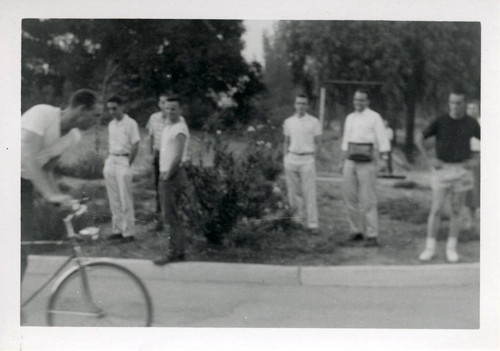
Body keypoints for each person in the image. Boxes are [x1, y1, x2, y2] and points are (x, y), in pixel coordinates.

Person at [21, 89, 100, 280]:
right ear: (81, 110)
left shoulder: (73, 136)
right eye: (95, 115)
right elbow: (28, 158)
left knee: (20, 252)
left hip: (23, 186)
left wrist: (61, 200)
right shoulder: (42, 114)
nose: (97, 121)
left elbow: (47, 169)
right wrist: (50, 195)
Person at [416, 90, 480, 263]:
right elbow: (419, 138)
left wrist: (476, 160)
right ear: (448, 103)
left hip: (462, 171)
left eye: (458, 103)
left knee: (456, 210)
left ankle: (451, 248)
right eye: (452, 102)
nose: (455, 106)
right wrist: (429, 160)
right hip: (442, 170)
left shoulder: (471, 123)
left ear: (464, 104)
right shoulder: (441, 120)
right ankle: (430, 248)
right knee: (436, 209)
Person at [339, 89, 390, 247]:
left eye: (361, 100)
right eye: (356, 100)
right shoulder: (349, 118)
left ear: (367, 102)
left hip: (367, 161)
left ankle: (372, 234)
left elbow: (382, 139)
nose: (358, 103)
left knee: (368, 198)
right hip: (350, 160)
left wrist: (384, 159)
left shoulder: (374, 117)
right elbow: (346, 141)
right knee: (350, 196)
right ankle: (356, 231)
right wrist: (341, 161)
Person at [153, 95, 190, 265]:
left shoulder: (179, 128)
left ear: (180, 110)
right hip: (166, 173)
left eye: (173, 108)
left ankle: (173, 252)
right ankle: (178, 250)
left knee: (170, 215)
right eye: (167, 108)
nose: (169, 111)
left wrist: (168, 174)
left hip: (173, 175)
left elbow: (178, 155)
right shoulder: (168, 126)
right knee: (171, 214)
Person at [103, 96, 141, 243]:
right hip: (111, 159)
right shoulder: (111, 125)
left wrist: (128, 163)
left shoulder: (131, 123)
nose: (112, 111)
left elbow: (136, 144)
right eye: (109, 109)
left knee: (125, 197)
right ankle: (117, 230)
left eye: (115, 108)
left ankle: (129, 232)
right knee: (114, 198)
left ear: (122, 107)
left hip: (124, 160)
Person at [146, 93, 186, 231]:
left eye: (170, 107)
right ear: (159, 104)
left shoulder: (178, 123)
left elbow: (179, 149)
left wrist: (169, 171)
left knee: (170, 196)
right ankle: (159, 221)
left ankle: (170, 224)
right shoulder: (154, 118)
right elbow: (150, 136)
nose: (166, 109)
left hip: (171, 162)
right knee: (159, 190)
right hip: (159, 156)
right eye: (163, 104)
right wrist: (151, 154)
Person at [283, 94, 322, 234]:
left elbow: (318, 143)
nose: (301, 106)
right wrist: (285, 158)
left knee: (309, 193)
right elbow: (286, 141)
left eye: (304, 104)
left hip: (307, 159)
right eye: (298, 103)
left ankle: (313, 224)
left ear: (308, 106)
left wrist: (313, 158)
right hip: (291, 158)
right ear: (294, 104)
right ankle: (296, 221)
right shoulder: (288, 122)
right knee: (293, 193)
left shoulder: (314, 122)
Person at [463, 100, 480, 233]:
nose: (472, 111)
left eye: (474, 108)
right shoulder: (463, 123)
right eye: (469, 108)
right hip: (467, 158)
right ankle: (470, 220)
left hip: (481, 156)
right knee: (469, 190)